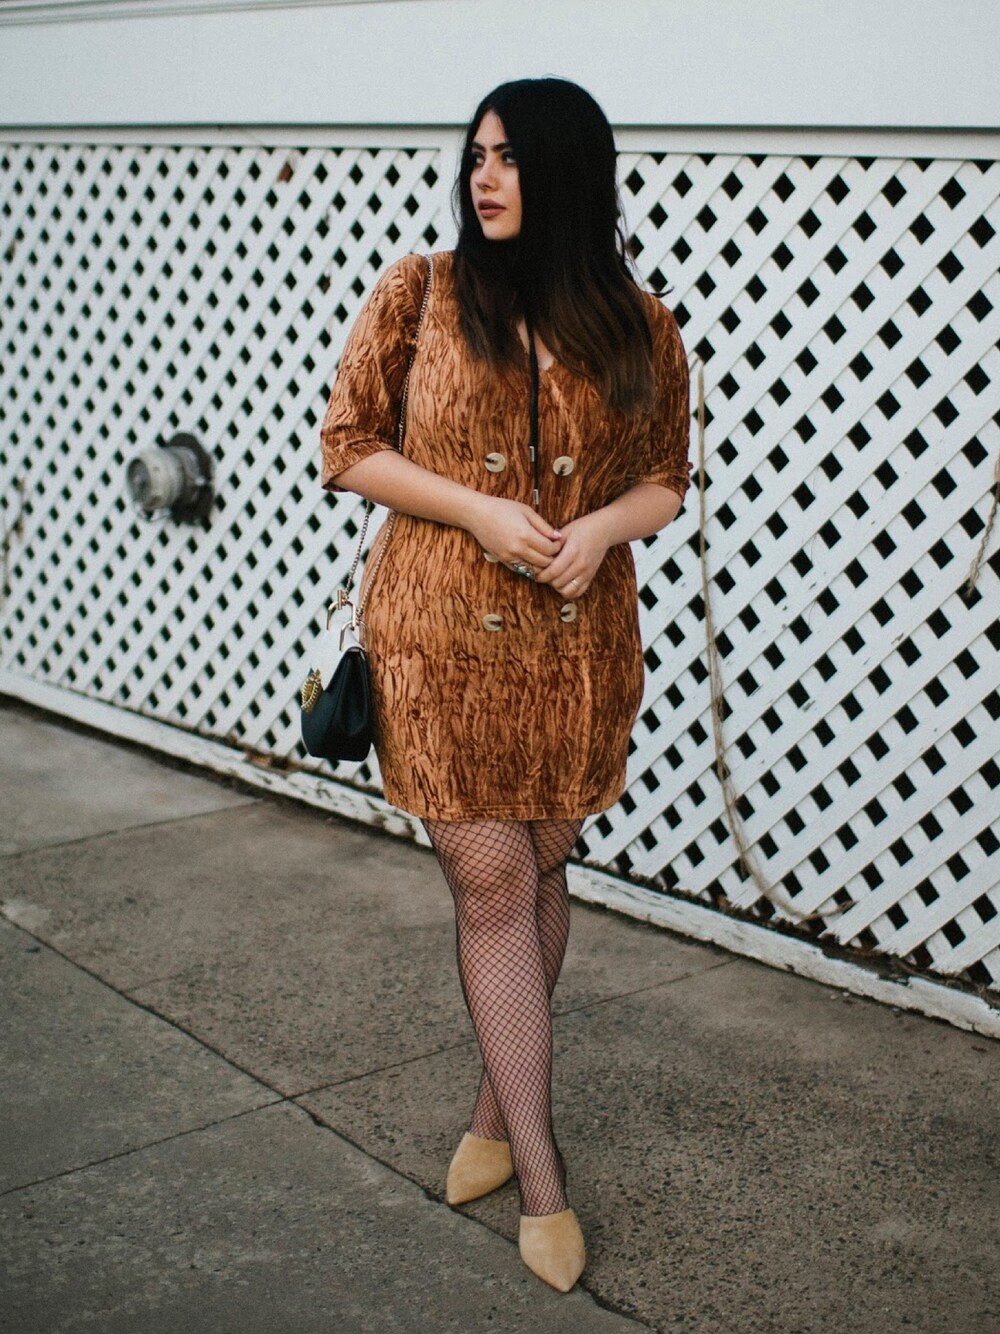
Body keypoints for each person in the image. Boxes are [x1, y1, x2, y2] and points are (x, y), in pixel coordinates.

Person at [319, 77, 691, 1293]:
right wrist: (475, 509)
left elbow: (666, 476)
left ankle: (491, 1112)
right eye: (477, 154)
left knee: (538, 865)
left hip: (573, 644)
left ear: (568, 174)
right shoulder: (418, 292)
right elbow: (348, 447)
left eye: (512, 158)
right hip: (437, 641)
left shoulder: (638, 322)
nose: (483, 177)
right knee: (489, 878)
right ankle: (542, 1174)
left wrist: (602, 529)